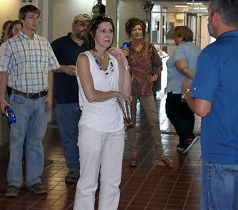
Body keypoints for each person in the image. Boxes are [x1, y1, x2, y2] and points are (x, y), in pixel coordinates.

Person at [181, 0, 238, 210]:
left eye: (208, 16)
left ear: (216, 16)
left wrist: (187, 94)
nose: (208, 21)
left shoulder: (212, 53)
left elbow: (202, 108)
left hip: (221, 154)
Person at [0, 5, 59, 197]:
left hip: (40, 99)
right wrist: (2, 99)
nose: (35, 21)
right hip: (19, 100)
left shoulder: (44, 43)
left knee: (36, 142)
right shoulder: (9, 45)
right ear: (22, 20)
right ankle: (14, 182)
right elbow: (4, 73)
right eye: (31, 17)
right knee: (17, 142)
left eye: (37, 17)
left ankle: (34, 180)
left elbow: (50, 70)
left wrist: (49, 95)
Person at [74, 15, 131, 210]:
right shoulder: (84, 58)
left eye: (110, 31)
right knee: (88, 182)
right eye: (103, 31)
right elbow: (91, 95)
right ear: (93, 34)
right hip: (93, 126)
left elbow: (127, 91)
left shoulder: (115, 60)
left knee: (112, 182)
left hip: (115, 126)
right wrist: (116, 93)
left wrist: (124, 62)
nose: (108, 35)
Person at [123, 18, 173, 168]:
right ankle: (133, 152)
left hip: (145, 88)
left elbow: (158, 64)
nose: (137, 32)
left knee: (154, 120)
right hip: (129, 89)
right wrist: (122, 56)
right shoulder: (125, 48)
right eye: (134, 30)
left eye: (139, 29)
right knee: (129, 122)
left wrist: (155, 75)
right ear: (130, 32)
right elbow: (118, 68)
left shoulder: (149, 47)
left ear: (143, 31)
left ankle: (160, 154)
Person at [50, 13, 91, 183]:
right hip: (65, 98)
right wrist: (64, 68)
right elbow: (48, 66)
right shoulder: (58, 44)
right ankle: (74, 168)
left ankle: (89, 168)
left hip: (89, 100)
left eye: (87, 25)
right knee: (69, 136)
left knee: (88, 136)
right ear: (73, 25)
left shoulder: (93, 45)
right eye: (81, 24)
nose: (84, 28)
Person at [165, 26, 201, 154]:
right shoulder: (197, 49)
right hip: (191, 90)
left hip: (177, 89)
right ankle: (183, 143)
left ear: (179, 36)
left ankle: (187, 137)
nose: (174, 39)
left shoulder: (180, 49)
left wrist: (193, 78)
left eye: (175, 36)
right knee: (187, 114)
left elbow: (182, 67)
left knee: (171, 111)